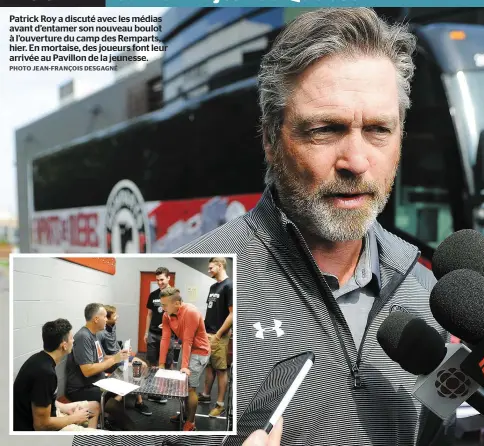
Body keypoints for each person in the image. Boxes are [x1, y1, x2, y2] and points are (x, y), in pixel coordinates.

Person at [72, 7, 452, 446]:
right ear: (271, 140)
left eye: (379, 129)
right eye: (325, 130)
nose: (357, 161)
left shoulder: (428, 291)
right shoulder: (217, 262)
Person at [13, 318, 100, 431]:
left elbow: (43, 398)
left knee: (95, 406)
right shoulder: (45, 373)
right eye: (71, 338)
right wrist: (73, 418)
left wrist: (64, 407)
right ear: (64, 345)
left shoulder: (40, 359)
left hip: (50, 413)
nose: (73, 341)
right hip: (36, 427)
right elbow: (41, 425)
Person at [66, 303, 133, 430]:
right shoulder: (83, 337)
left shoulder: (94, 334)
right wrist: (114, 359)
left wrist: (119, 355)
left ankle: (111, 421)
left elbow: (101, 358)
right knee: (114, 396)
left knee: (122, 388)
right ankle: (127, 431)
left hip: (96, 383)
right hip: (81, 389)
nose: (107, 319)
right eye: (105, 317)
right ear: (96, 319)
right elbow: (87, 370)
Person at [159, 286, 211, 431]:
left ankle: (191, 422)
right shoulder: (166, 315)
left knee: (189, 388)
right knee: (181, 385)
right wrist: (161, 364)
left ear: (176, 303)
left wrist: (184, 366)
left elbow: (188, 340)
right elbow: (165, 338)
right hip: (187, 349)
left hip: (199, 351)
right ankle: (183, 413)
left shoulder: (191, 312)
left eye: (164, 305)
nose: (162, 308)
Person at [99, 305, 152, 416]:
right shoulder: (100, 333)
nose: (117, 317)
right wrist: (119, 355)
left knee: (143, 365)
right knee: (134, 369)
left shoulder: (112, 326)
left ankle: (134, 395)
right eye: (115, 316)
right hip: (111, 361)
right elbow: (101, 357)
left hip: (120, 356)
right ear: (107, 318)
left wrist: (124, 349)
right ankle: (133, 400)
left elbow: (114, 346)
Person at [198, 257, 233, 417]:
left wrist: (218, 335)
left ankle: (220, 404)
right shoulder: (213, 287)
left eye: (211, 267)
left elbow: (232, 314)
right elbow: (210, 311)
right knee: (210, 367)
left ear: (220, 266)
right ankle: (205, 395)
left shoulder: (229, 286)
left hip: (219, 336)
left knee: (221, 370)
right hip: (208, 334)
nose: (209, 270)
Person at [144, 266, 173, 404]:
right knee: (152, 362)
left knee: (166, 364)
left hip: (167, 336)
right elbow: (149, 315)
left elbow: (178, 316)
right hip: (153, 334)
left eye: (162, 279)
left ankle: (165, 391)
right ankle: (153, 389)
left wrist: (169, 326)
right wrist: (146, 332)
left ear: (168, 278)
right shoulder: (153, 295)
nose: (160, 282)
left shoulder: (174, 295)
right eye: (157, 280)